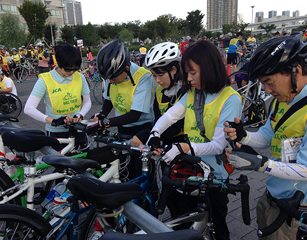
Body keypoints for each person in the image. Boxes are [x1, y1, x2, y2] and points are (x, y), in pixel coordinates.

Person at [146, 41, 242, 240]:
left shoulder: (230, 99)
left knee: (218, 226)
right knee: (184, 223)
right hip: (189, 171)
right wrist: (154, 133)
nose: (188, 79)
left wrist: (183, 147)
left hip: (214, 176)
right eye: (186, 73)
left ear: (208, 68)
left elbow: (217, 145)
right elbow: (171, 116)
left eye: (192, 73)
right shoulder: (193, 93)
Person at [223, 32, 307, 240]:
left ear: (295, 71)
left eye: (269, 82)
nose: (267, 90)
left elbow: (305, 170)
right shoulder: (282, 99)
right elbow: (266, 137)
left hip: (296, 210)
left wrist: (262, 164)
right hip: (271, 197)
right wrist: (244, 137)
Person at [24, 43, 91, 150]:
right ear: (59, 64)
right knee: (61, 164)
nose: (72, 72)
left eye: (75, 69)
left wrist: (80, 115)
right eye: (68, 69)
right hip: (56, 132)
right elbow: (28, 108)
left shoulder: (80, 77)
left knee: (82, 162)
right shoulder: (45, 80)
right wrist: (53, 121)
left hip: (77, 129)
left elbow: (87, 102)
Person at [86, 39, 154, 141]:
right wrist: (101, 115)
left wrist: (104, 123)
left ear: (126, 68)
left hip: (141, 129)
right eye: (108, 79)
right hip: (122, 126)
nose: (111, 82)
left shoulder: (144, 77)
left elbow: (135, 115)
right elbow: (108, 99)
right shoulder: (113, 73)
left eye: (113, 78)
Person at [131, 42, 186, 147]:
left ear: (174, 69)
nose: (157, 80)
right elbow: (158, 120)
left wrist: (144, 135)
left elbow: (176, 127)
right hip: (162, 144)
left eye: (160, 75)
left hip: (183, 146)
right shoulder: (160, 90)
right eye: (154, 75)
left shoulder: (186, 91)